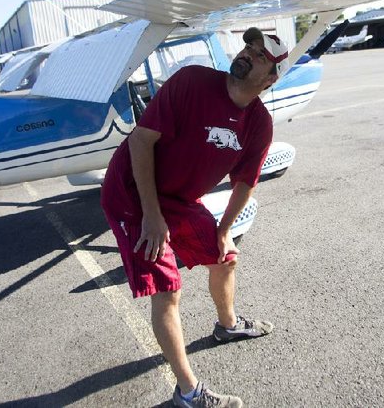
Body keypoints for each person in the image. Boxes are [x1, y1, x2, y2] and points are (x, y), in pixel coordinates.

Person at [101, 28, 289, 408]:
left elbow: (244, 185)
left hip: (179, 198)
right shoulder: (192, 82)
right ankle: (188, 395)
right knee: (168, 288)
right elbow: (140, 141)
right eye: (248, 47)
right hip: (132, 191)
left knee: (226, 257)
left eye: (260, 56)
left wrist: (223, 230)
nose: (248, 54)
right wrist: (152, 217)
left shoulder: (259, 124)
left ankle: (227, 325)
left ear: (270, 79)